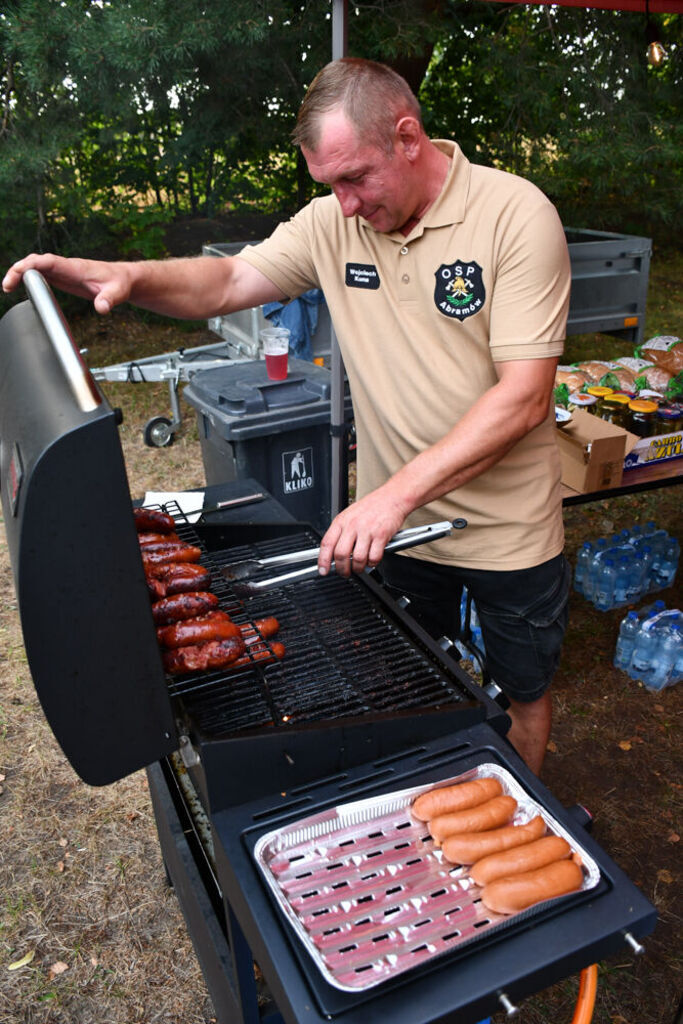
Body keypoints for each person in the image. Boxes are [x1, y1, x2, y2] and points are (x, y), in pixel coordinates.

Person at [3, 57, 571, 776]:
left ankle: (524, 809)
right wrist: (128, 277)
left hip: (504, 533)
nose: (344, 205)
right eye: (328, 185)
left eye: (354, 177)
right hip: (393, 530)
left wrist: (391, 496)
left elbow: (523, 397)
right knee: (420, 687)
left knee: (523, 692)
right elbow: (230, 279)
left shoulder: (514, 216)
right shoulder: (338, 223)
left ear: (407, 136)